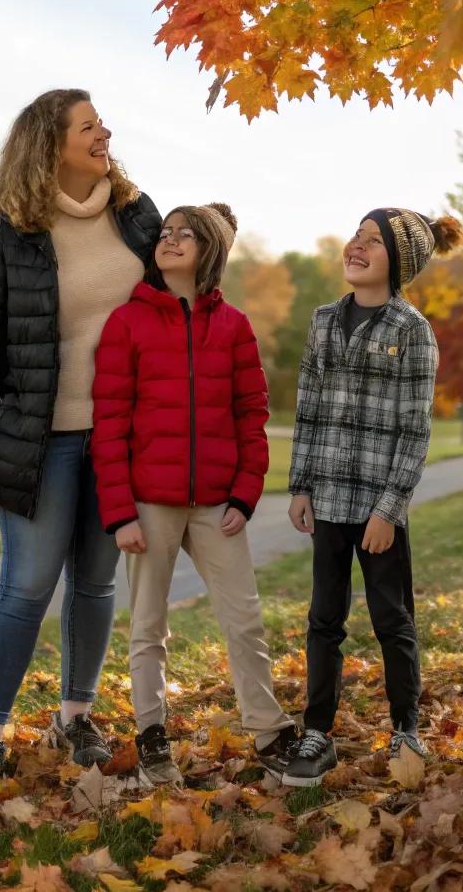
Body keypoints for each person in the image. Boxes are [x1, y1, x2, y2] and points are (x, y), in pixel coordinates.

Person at [0, 88, 160, 791]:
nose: (105, 132)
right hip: (37, 441)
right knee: (28, 585)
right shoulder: (9, 232)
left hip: (119, 438)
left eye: (102, 122)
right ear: (50, 143)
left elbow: (173, 307)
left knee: (96, 585)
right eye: (88, 125)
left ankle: (76, 717)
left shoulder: (135, 214)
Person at [91, 202, 300, 787]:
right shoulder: (125, 324)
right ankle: (153, 735)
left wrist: (244, 493)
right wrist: (119, 514)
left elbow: (251, 414)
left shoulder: (233, 326)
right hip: (148, 504)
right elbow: (109, 423)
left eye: (186, 234)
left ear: (210, 250)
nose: (171, 240)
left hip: (216, 505)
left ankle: (268, 731)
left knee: (245, 618)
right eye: (165, 233)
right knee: (148, 626)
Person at [282, 207, 463, 785]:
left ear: (399, 261)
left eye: (372, 242)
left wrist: (390, 508)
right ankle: (317, 733)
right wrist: (301, 485)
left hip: (378, 507)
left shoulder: (412, 330)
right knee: (324, 620)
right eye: (355, 237)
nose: (355, 247)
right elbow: (307, 408)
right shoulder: (321, 322)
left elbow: (415, 430)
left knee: (393, 619)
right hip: (329, 498)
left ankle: (406, 729)